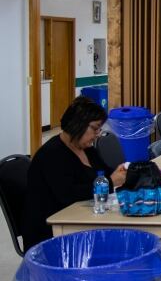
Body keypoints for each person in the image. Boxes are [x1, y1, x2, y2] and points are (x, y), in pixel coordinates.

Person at [23, 97, 127, 250]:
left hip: (79, 218)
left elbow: (103, 171)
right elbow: (68, 194)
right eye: (95, 128)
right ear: (78, 124)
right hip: (51, 231)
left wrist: (120, 172)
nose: (98, 134)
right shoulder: (51, 155)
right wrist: (110, 182)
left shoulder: (86, 148)